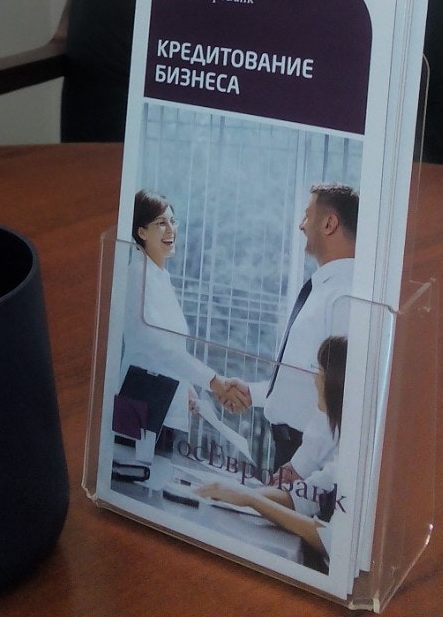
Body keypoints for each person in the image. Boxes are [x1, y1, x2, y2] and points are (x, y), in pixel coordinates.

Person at [197, 335, 348, 571]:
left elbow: (331, 540)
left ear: (337, 384)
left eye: (319, 371)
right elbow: (304, 497)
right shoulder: (343, 452)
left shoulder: (360, 462)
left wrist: (251, 499)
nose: (314, 377)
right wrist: (237, 493)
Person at [241, 183, 358, 473]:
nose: (301, 225)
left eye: (307, 215)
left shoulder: (345, 297)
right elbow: (304, 379)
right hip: (291, 453)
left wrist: (299, 466)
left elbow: (337, 397)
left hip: (305, 459)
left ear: (329, 224)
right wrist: (253, 393)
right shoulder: (322, 288)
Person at [121, 191, 248, 436]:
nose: (171, 230)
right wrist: (213, 381)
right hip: (142, 404)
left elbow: (170, 350)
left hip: (163, 404)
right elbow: (155, 345)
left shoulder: (159, 276)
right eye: (161, 223)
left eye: (172, 221)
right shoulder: (138, 274)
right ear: (142, 232)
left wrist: (187, 386)